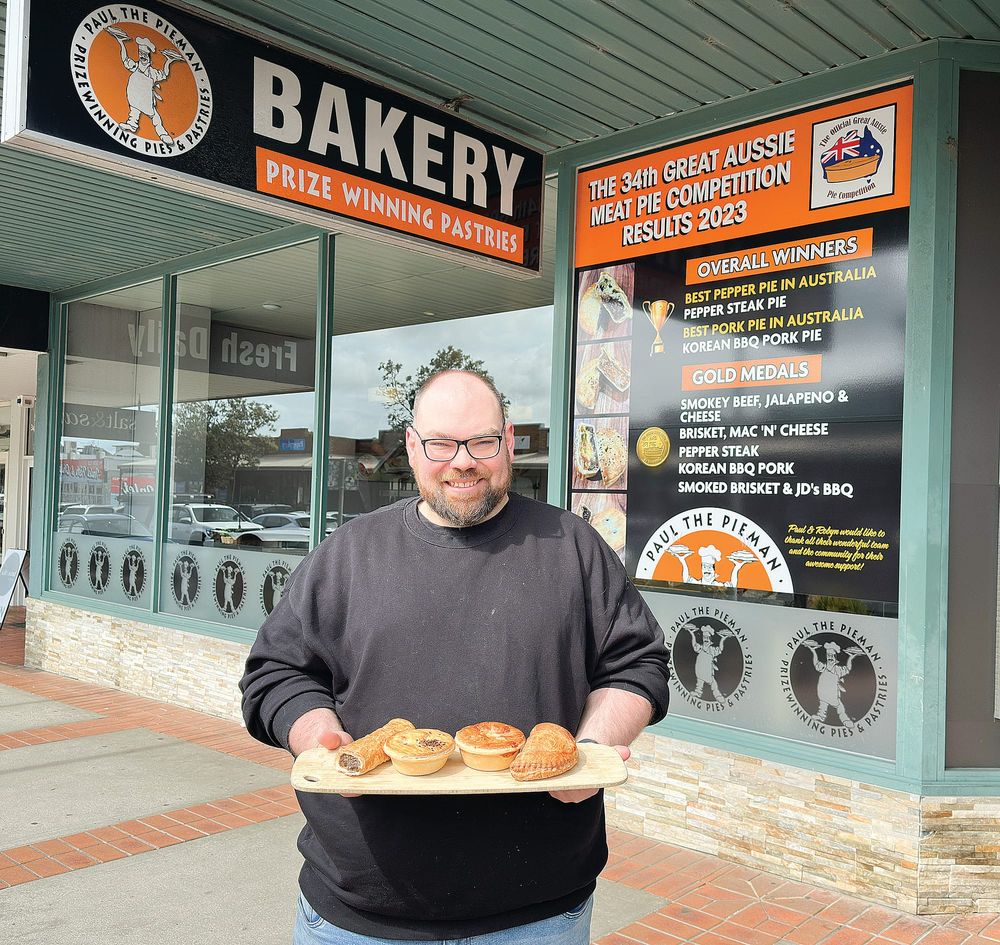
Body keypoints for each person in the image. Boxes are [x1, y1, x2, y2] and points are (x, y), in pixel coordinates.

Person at [240, 369, 671, 944]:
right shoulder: (349, 553)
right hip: (359, 913)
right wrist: (319, 737)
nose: (462, 462)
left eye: (482, 442)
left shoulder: (571, 546)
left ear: (509, 442)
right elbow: (277, 671)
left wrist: (589, 751)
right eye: (441, 443)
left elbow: (636, 663)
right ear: (412, 446)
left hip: (537, 913)